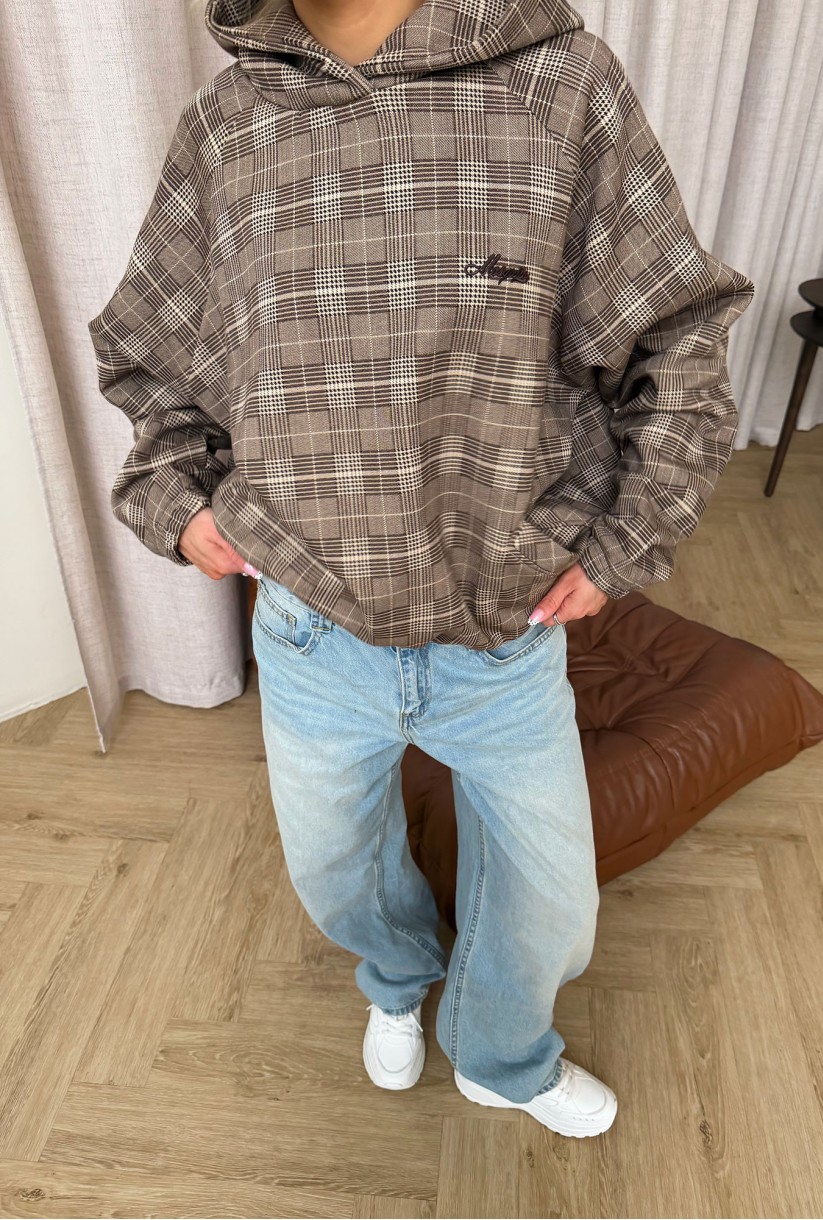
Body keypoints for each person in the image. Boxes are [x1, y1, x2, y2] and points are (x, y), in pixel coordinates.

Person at [87, 0, 755, 1139]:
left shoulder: (562, 89)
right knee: (337, 870)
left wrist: (624, 541)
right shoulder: (231, 120)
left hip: (501, 626)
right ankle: (396, 978)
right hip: (310, 628)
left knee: (551, 898)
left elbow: (677, 336)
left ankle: (501, 1051)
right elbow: (153, 350)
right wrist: (176, 499)